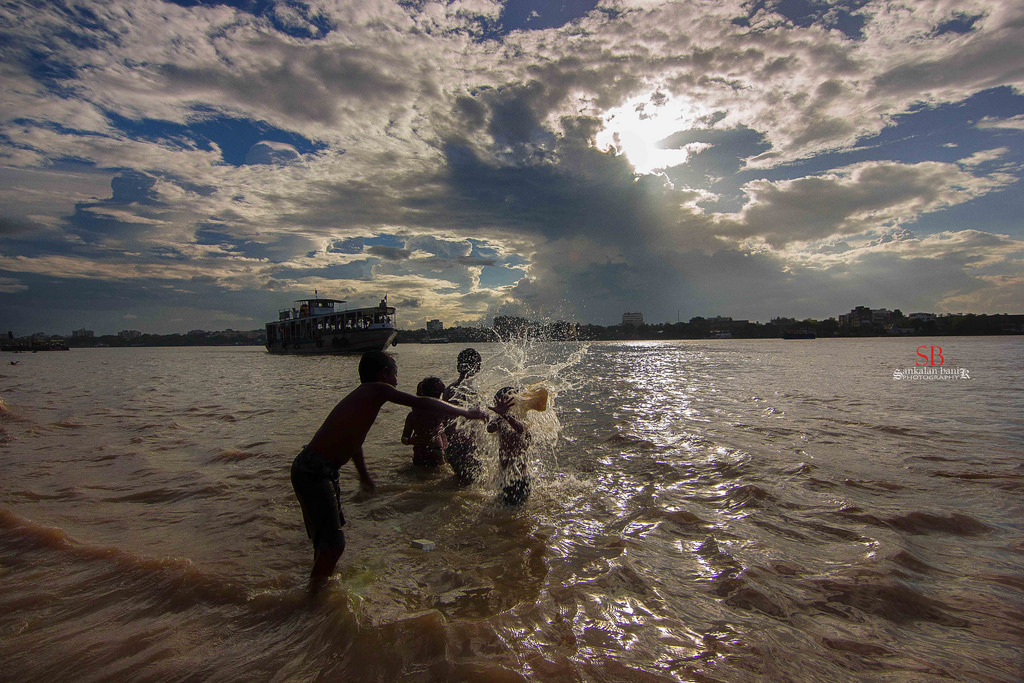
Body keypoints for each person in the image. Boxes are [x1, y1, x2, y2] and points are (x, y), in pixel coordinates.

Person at [290, 350, 488, 585]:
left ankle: (318, 586)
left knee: (325, 541)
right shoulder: (376, 389)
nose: (397, 377)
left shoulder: (366, 398)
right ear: (384, 373)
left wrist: (364, 477)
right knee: (334, 544)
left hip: (315, 470)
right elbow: (420, 401)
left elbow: (354, 442)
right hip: (314, 472)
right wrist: (467, 413)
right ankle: (316, 597)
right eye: (395, 371)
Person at [443, 348, 484, 483]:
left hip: (452, 445)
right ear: (476, 367)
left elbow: (446, 421)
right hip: (465, 446)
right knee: (471, 484)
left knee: (461, 484)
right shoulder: (469, 390)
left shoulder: (450, 389)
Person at [487, 386, 533, 506]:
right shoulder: (499, 419)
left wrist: (506, 414)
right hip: (505, 473)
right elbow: (490, 428)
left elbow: (521, 429)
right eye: (497, 403)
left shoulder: (521, 417)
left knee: (516, 510)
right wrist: (501, 414)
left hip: (519, 475)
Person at [401, 376, 448, 468]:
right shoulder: (413, 416)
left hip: (436, 452)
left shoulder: (440, 413)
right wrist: (410, 440)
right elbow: (404, 438)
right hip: (422, 454)